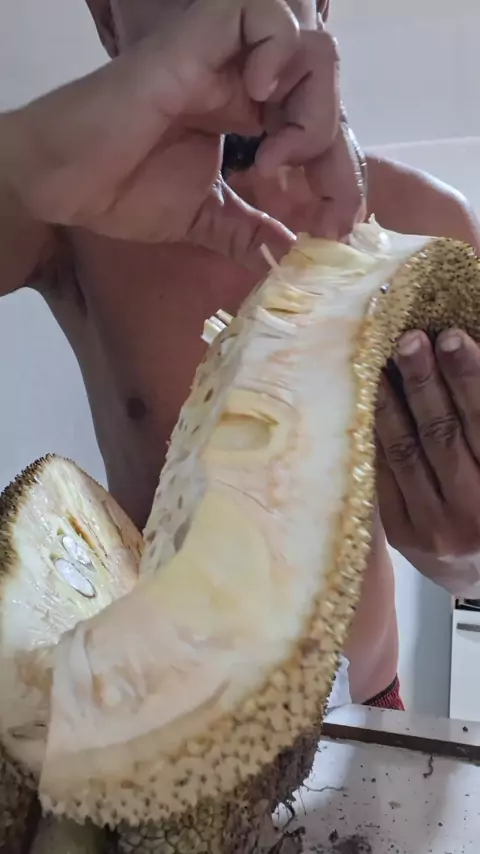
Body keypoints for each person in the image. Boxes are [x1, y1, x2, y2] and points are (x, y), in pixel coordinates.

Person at [2, 0, 480, 712]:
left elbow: (475, 565)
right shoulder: (67, 218)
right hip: (158, 720)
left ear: (318, 7)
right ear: (108, 21)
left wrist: (469, 562)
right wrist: (23, 167)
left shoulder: (432, 226)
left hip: (365, 710)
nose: (230, 21)